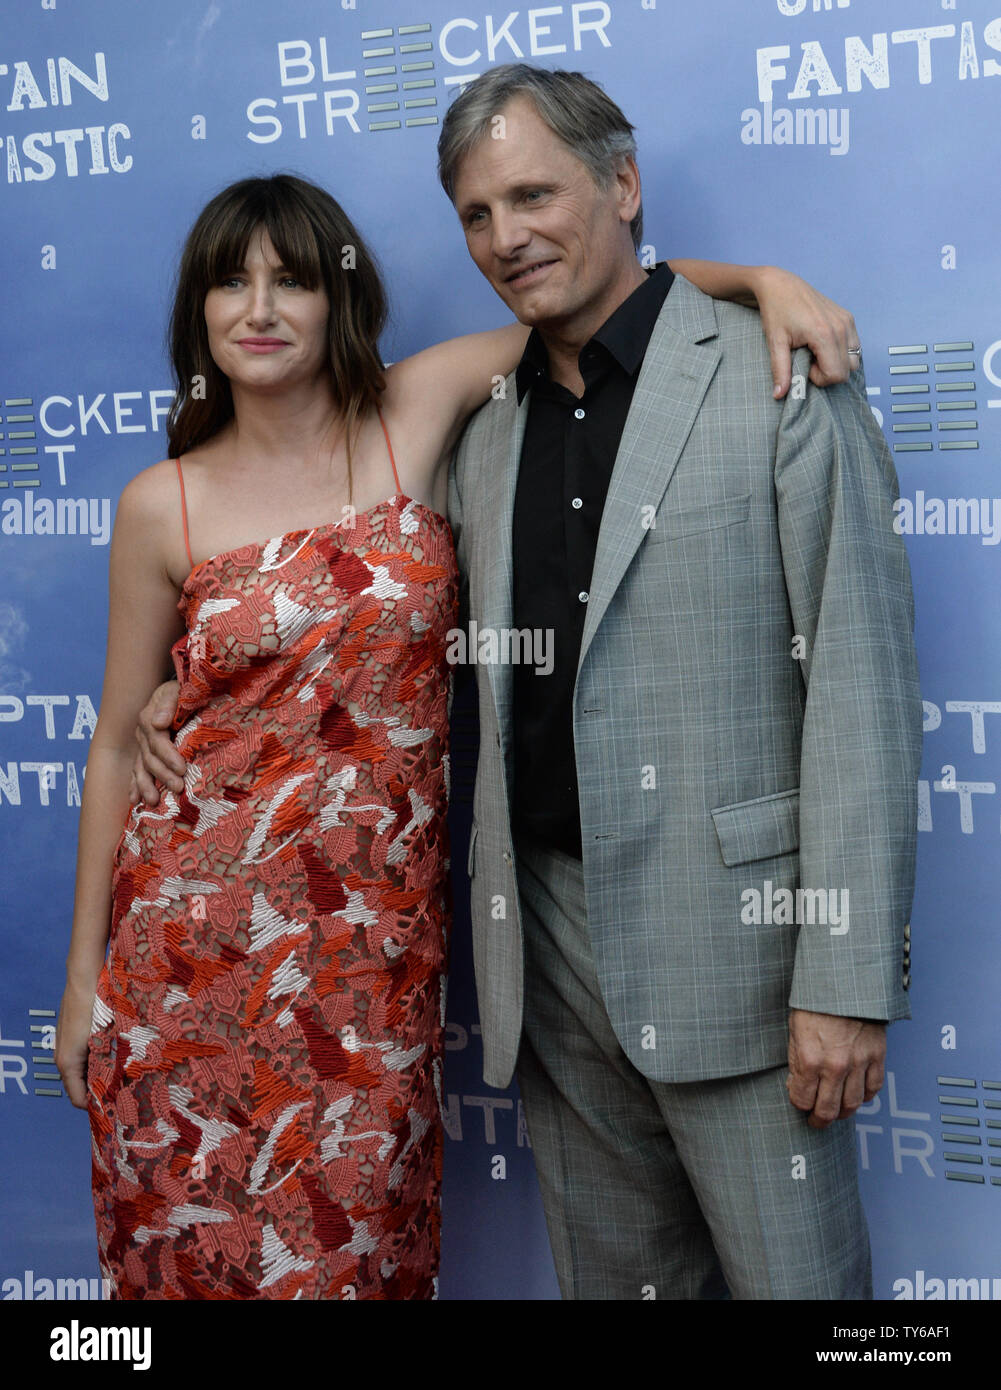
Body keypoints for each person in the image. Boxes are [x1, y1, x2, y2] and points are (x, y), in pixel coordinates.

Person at [101, 158, 867, 1299]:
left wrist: (758, 282)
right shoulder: (159, 501)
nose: (259, 310)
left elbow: (603, 300)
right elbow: (117, 742)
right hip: (193, 951)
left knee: (351, 1257)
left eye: (292, 281)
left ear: (339, 300)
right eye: (230, 284)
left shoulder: (417, 410)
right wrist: (82, 980)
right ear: (196, 312)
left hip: (368, 966)